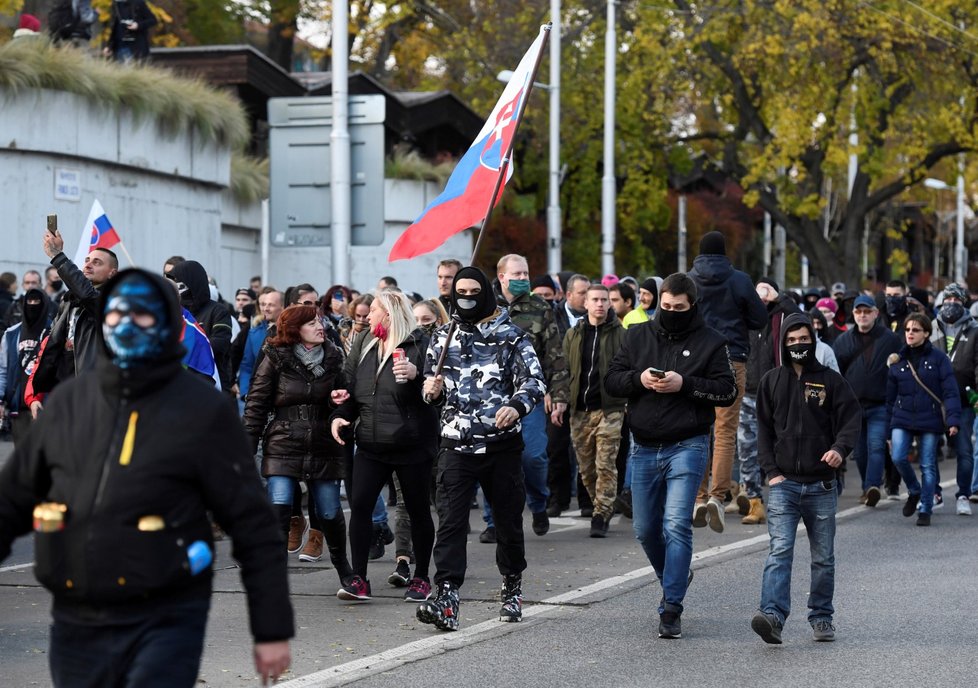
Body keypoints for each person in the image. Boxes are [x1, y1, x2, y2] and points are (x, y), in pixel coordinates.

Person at [0, 268, 293, 686]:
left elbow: (253, 524)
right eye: (117, 314)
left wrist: (271, 629)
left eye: (141, 314)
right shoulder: (68, 404)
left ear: (168, 324)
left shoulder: (202, 412)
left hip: (167, 614)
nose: (126, 324)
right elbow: (10, 502)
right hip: (77, 616)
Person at [605, 272, 737, 640]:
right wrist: (639, 379)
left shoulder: (712, 342)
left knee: (676, 524)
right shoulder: (637, 335)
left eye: (679, 308)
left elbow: (727, 391)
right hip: (644, 445)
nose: (672, 311)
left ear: (692, 305)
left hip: (688, 443)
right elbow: (612, 380)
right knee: (645, 529)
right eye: (666, 306)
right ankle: (676, 576)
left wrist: (686, 384)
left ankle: (672, 606)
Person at [416, 266, 545, 631]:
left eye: (474, 291)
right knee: (452, 524)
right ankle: (446, 598)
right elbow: (430, 387)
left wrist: (516, 406)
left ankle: (512, 586)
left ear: (486, 293)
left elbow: (535, 382)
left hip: (501, 446)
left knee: (507, 524)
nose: (467, 298)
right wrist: (431, 391)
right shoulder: (442, 337)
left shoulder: (512, 337)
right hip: (456, 445)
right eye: (461, 292)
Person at [751, 312, 861, 644]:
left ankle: (822, 617)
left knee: (823, 556)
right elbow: (763, 432)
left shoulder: (831, 380)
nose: (798, 344)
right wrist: (771, 472)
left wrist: (840, 450)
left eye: (804, 338)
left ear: (813, 340)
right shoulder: (771, 381)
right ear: (783, 343)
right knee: (780, 550)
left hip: (822, 484)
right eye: (792, 339)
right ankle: (772, 615)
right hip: (783, 484)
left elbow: (852, 419)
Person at [329, 290, 439, 602]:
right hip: (370, 443)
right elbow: (352, 391)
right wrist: (339, 414)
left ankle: (421, 578)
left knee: (418, 511)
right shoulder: (365, 342)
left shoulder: (420, 344)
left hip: (411, 444)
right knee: (360, 507)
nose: (367, 315)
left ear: (389, 315)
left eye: (374, 310)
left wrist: (418, 377)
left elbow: (437, 393)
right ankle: (359, 580)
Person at [242, 305, 355, 590]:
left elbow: (346, 402)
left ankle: (345, 570)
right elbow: (256, 405)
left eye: (319, 321)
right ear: (296, 330)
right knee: (279, 505)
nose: (320, 326)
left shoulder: (333, 357)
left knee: (329, 511)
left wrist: (338, 402)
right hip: (283, 440)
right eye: (312, 323)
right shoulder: (275, 356)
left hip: (323, 442)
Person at [480, 254, 569, 541]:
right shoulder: (485, 306)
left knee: (533, 457)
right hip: (490, 397)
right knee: (490, 459)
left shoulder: (539, 307)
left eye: (525, 273)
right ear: (502, 276)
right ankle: (492, 521)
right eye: (516, 274)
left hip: (528, 396)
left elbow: (555, 353)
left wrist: (558, 394)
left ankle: (539, 503)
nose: (522, 279)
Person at [688, 231, 767, 533]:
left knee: (697, 428)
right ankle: (718, 496)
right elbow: (759, 318)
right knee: (725, 430)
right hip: (732, 357)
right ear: (724, 253)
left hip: (695, 360)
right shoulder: (739, 280)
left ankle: (696, 496)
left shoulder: (688, 280)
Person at [564, 284, 626, 536]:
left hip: (610, 408)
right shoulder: (573, 334)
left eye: (605, 300)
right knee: (586, 469)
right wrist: (559, 399)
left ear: (610, 304)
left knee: (605, 464)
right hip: (579, 410)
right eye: (595, 300)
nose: (600, 304)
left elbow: (628, 369)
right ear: (586, 303)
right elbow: (565, 369)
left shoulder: (620, 334)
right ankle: (600, 502)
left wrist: (627, 401)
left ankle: (601, 514)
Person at [887, 313, 961, 526]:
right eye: (908, 329)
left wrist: (953, 421)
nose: (910, 333)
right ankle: (914, 490)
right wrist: (886, 431)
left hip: (930, 417)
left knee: (928, 465)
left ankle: (926, 508)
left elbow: (950, 392)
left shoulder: (939, 359)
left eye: (915, 330)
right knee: (898, 457)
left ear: (926, 333)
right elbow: (890, 400)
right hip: (902, 416)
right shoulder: (898, 360)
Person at [737, 278, 798, 525]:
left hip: (779, 392)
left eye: (766, 292)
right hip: (749, 392)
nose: (761, 297)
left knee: (781, 447)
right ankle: (753, 500)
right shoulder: (745, 318)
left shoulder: (783, 317)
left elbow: (800, 322)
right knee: (746, 448)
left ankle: (784, 500)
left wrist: (779, 298)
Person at [832, 295, 901, 504]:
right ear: (853, 314)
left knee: (876, 446)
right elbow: (836, 375)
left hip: (880, 404)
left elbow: (901, 369)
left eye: (867, 311)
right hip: (853, 406)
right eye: (858, 312)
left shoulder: (890, 339)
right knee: (860, 453)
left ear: (875, 314)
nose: (862, 315)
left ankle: (871, 486)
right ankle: (867, 486)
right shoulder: (843, 341)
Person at [930, 283, 977, 515]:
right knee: (930, 448)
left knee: (964, 450)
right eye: (947, 300)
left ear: (964, 303)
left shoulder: (974, 330)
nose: (951, 304)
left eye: (956, 301)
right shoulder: (930, 328)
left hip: (964, 400)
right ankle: (935, 493)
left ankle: (963, 495)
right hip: (934, 400)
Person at [0, 289, 52, 443]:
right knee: (22, 458)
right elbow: (3, 370)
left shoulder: (55, 331)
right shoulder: (11, 334)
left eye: (37, 301)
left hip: (47, 404)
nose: (33, 305)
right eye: (30, 301)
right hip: (19, 405)